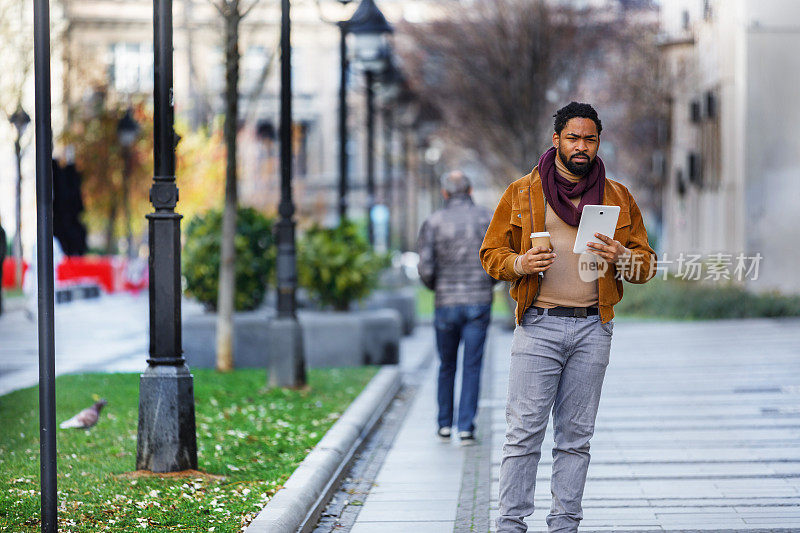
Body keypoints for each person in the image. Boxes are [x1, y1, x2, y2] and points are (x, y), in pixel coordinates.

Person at [480, 102, 657, 532]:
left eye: (590, 139)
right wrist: (520, 264)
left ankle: (564, 525)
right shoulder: (522, 192)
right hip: (539, 324)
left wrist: (622, 256)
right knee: (523, 434)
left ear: (598, 143)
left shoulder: (618, 196)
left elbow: (646, 266)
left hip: (593, 327)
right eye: (573, 138)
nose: (581, 146)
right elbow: (491, 254)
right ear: (556, 140)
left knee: (576, 439)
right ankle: (510, 525)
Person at [417, 170, 495, 446]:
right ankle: (466, 427)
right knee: (472, 366)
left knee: (446, 364)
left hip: (445, 304)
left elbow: (425, 267)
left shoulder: (433, 222)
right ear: (471, 191)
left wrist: (437, 287)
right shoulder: (487, 218)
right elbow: (498, 259)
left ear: (445, 193)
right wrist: (488, 284)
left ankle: (443, 424)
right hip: (478, 303)